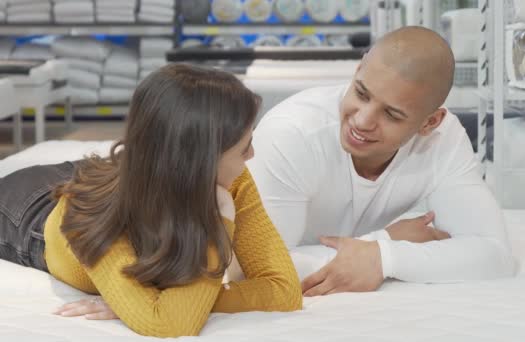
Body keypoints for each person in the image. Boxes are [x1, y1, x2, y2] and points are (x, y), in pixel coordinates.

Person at [0, 64, 302, 337]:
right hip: (25, 214)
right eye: (244, 148)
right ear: (200, 163)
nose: (251, 156)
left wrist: (159, 302)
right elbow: (171, 323)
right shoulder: (92, 219)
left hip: (124, 177)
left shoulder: (231, 179)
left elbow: (284, 290)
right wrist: (220, 222)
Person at [246, 26, 516, 297]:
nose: (362, 121)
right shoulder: (292, 133)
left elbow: (493, 254)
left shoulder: (443, 139)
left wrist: (385, 257)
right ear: (358, 70)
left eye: (391, 114)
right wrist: (384, 242)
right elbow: (259, 266)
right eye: (361, 93)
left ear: (430, 123)